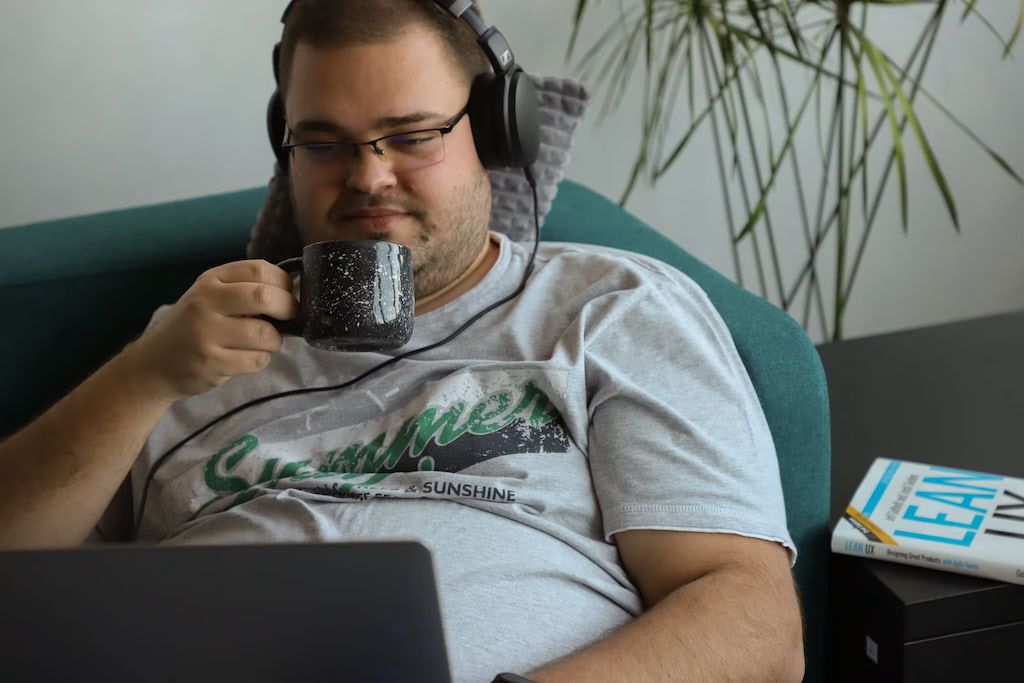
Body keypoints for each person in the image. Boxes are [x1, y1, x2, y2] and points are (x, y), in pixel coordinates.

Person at [0, 1, 804, 681]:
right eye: (324, 143)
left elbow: (752, 618)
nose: (368, 178)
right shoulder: (186, 346)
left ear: (495, 131)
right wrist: (142, 378)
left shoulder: (609, 308)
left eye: (412, 135)